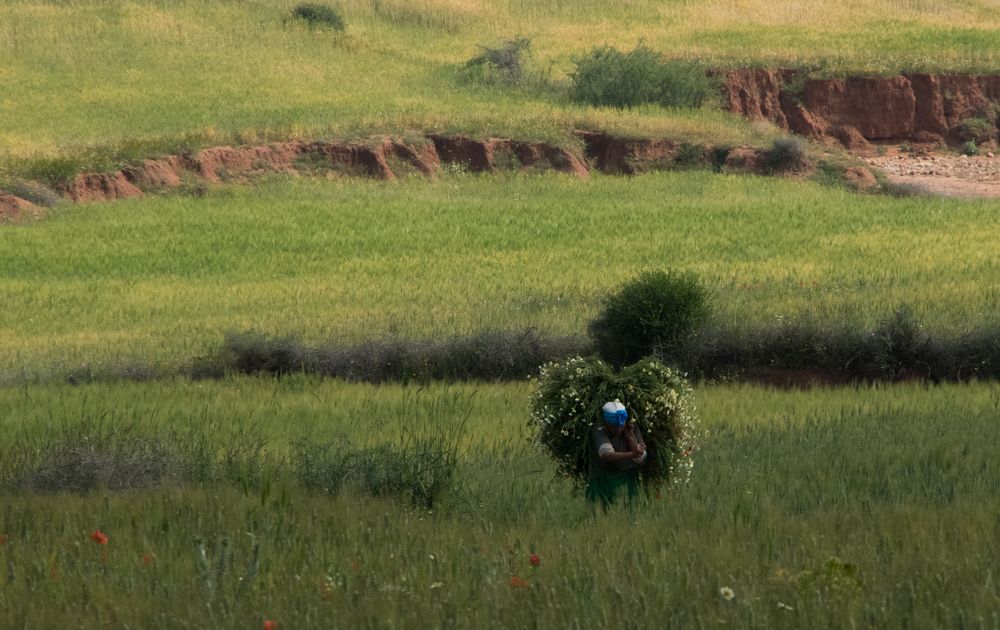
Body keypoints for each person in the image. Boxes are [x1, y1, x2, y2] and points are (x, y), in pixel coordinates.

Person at [586, 400, 647, 509]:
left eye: (621, 425)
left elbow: (640, 459)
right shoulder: (599, 429)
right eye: (614, 426)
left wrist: (629, 437)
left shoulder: (632, 428)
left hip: (629, 481)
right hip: (604, 482)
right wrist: (632, 453)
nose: (618, 429)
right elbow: (607, 454)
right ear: (606, 423)